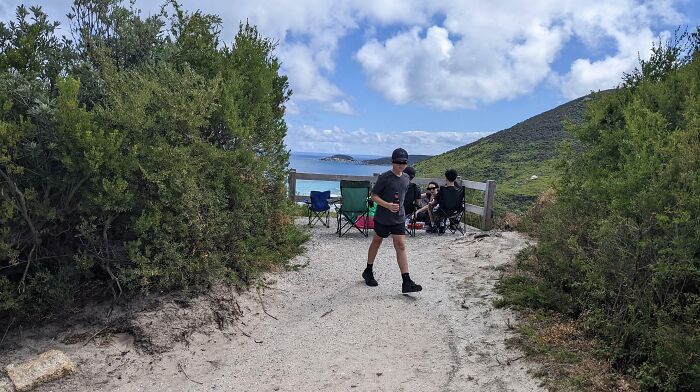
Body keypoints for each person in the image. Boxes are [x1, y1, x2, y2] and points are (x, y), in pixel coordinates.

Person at [362, 148, 423, 293]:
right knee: (376, 242)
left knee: (400, 246)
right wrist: (387, 205)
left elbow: (402, 196)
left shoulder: (406, 178)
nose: (401, 165)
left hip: (399, 218)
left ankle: (406, 281)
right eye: (398, 162)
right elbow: (374, 196)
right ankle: (368, 271)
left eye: (404, 162)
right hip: (383, 217)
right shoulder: (384, 177)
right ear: (392, 162)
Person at [431, 169, 461, 234]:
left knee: (435, 208)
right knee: (443, 207)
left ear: (446, 178)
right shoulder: (459, 190)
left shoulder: (443, 190)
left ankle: (439, 224)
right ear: (455, 178)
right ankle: (455, 222)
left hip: (443, 212)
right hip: (456, 212)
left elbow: (435, 201)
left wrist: (431, 202)